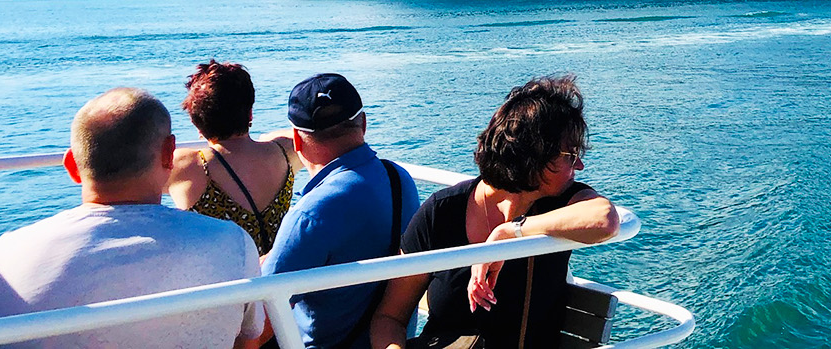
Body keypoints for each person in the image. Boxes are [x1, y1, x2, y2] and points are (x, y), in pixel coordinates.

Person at [0, 88, 264, 349]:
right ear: (169, 153)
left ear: (72, 166)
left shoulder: (6, 257)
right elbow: (248, 341)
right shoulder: (230, 243)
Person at [370, 75, 620, 349]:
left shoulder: (560, 202)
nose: (580, 165)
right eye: (570, 155)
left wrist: (510, 232)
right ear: (533, 155)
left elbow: (604, 219)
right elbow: (389, 317)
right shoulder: (441, 213)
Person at [260, 72, 418, 349]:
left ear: (297, 141)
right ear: (364, 123)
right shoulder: (399, 178)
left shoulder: (311, 214)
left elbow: (260, 317)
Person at [170, 59, 304, 255]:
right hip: (277, 277)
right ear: (250, 114)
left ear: (196, 122)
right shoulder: (283, 153)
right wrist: (265, 139)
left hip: (226, 282)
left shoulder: (186, 165)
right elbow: (310, 134)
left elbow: (126, 166)